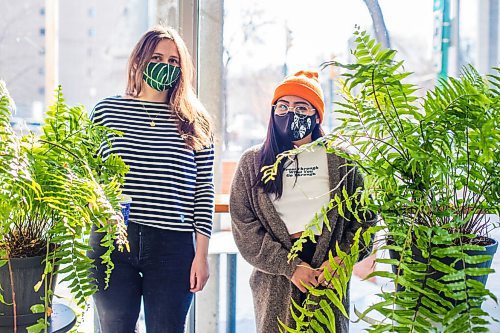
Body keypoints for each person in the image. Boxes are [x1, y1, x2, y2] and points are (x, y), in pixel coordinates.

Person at [88, 25, 214, 333]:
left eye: (174, 61)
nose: (166, 66)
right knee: (115, 327)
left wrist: (202, 255)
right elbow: (87, 176)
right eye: (157, 57)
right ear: (139, 61)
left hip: (173, 246)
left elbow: (204, 190)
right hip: (112, 244)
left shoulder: (195, 122)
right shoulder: (106, 111)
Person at [229, 70, 376, 332]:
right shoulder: (252, 162)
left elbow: (365, 218)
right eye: (283, 106)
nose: (290, 113)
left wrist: (341, 259)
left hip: (327, 275)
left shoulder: (341, 161)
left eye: (301, 106)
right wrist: (290, 266)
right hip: (276, 279)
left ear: (316, 115)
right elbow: (244, 225)